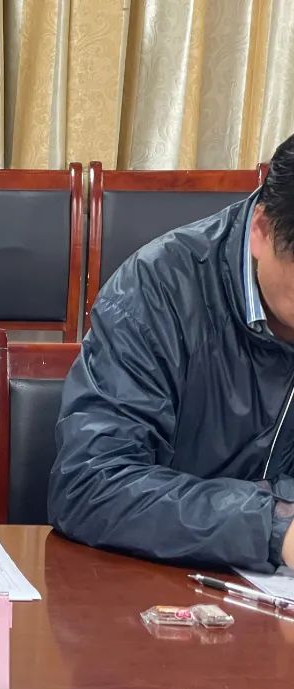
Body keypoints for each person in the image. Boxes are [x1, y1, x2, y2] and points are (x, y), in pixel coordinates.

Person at [49, 133, 294, 573]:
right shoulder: (156, 290)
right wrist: (273, 526)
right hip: (157, 583)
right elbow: (91, 485)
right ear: (261, 230)